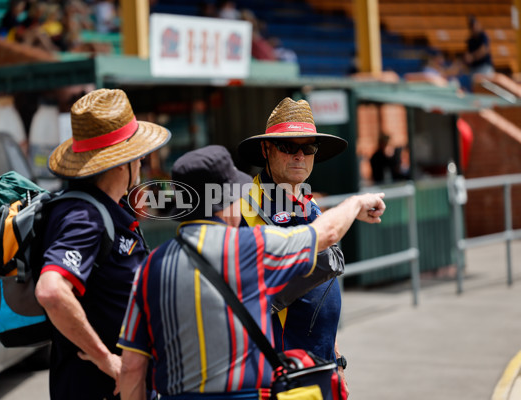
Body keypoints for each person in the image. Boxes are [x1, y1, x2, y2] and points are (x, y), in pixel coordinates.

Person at [116, 145, 386, 399]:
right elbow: (325, 233)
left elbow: (131, 367)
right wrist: (357, 203)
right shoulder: (251, 247)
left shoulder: (151, 266)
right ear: (226, 202)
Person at [34, 88, 171, 400]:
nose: (144, 161)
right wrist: (105, 359)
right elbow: (51, 291)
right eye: (139, 154)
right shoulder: (84, 216)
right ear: (124, 161)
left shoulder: (105, 208)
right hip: (95, 388)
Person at [237, 97, 351, 396]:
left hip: (321, 368)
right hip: (280, 375)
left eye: (308, 147)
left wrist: (336, 359)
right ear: (266, 149)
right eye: (289, 146)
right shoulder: (245, 207)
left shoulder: (310, 204)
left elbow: (321, 292)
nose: (300, 155)